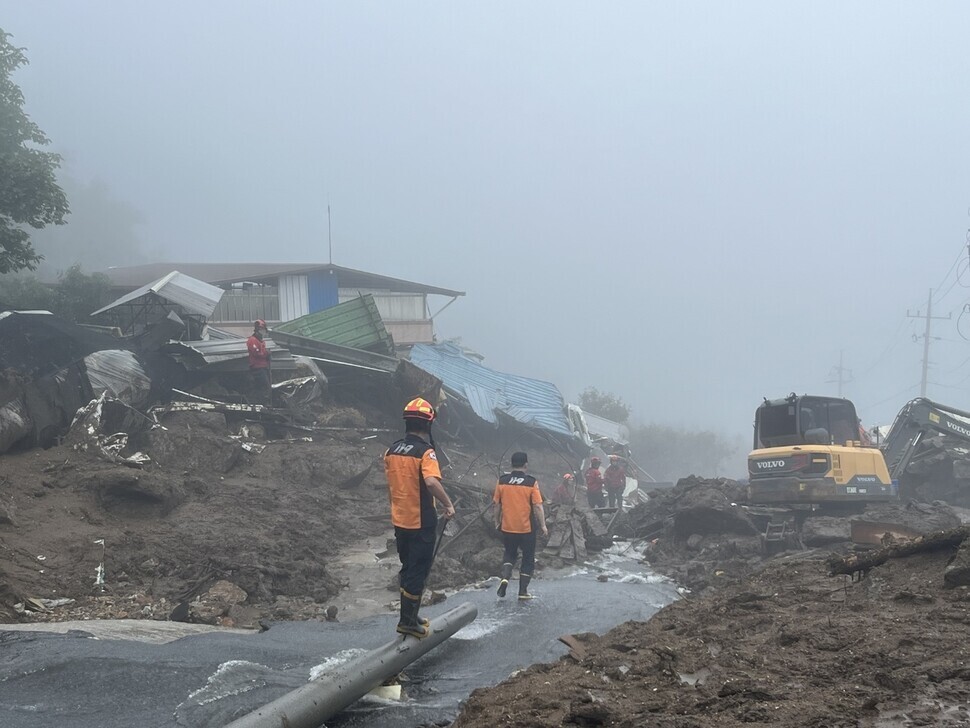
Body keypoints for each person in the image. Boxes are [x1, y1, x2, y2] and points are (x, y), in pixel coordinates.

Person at [384, 397, 455, 638]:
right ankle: (407, 622)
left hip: (400, 519)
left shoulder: (391, 450)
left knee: (408, 567)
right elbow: (431, 482)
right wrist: (448, 504)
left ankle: (411, 615)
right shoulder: (426, 453)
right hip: (421, 520)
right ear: (427, 425)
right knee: (418, 570)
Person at [493, 451, 548, 600]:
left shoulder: (502, 480)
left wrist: (497, 521)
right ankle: (523, 591)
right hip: (526, 528)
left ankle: (505, 577)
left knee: (509, 554)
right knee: (528, 558)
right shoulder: (531, 482)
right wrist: (543, 525)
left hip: (508, 527)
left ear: (511, 464)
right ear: (526, 465)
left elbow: (497, 505)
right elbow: (537, 506)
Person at [246, 319, 272, 404]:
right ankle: (262, 403)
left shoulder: (261, 341)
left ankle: (262, 403)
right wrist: (266, 353)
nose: (264, 332)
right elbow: (257, 353)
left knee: (264, 387)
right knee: (264, 387)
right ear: (259, 329)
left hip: (263, 367)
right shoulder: (252, 340)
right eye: (263, 330)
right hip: (257, 368)